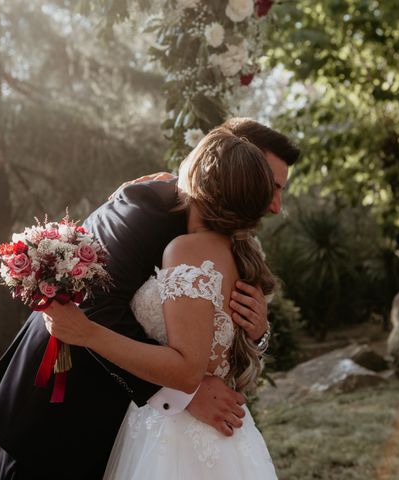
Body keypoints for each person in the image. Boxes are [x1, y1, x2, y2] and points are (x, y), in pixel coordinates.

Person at [0, 117, 299, 479]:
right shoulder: (144, 209)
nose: (275, 205)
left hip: (139, 432)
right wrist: (186, 389)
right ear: (232, 159)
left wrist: (257, 330)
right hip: (63, 415)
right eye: (272, 185)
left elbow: (211, 329)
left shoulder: (232, 240)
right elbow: (94, 307)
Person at [43, 127, 278, 478]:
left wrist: (87, 332)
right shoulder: (240, 253)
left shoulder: (185, 250)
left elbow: (186, 370)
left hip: (177, 435)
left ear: (198, 178)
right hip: (215, 432)